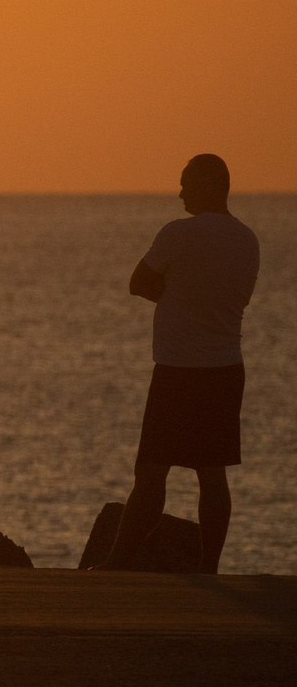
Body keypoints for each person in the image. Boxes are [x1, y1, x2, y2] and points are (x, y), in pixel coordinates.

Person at [109, 154, 259, 570]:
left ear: (209, 186)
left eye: (186, 184)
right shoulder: (248, 239)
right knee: (212, 475)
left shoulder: (177, 233)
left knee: (151, 471)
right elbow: (229, 297)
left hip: (177, 369)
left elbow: (138, 282)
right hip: (226, 368)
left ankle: (118, 562)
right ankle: (208, 566)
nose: (179, 193)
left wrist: (174, 297)